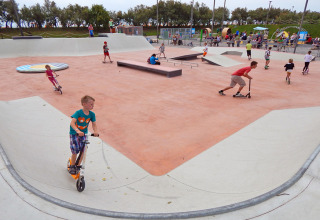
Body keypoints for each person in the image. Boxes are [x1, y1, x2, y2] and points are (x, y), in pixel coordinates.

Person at [68, 95, 99, 175]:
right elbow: (72, 123)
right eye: (91, 104)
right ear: (84, 104)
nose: (93, 106)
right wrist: (77, 130)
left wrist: (95, 131)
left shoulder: (92, 114)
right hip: (74, 133)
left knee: (83, 150)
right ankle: (72, 166)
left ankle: (78, 165)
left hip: (83, 134)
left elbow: (94, 124)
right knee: (75, 150)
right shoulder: (78, 113)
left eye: (93, 104)